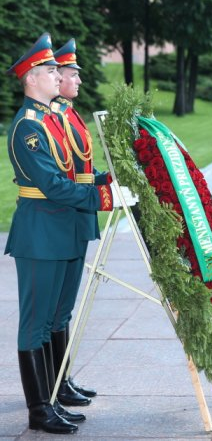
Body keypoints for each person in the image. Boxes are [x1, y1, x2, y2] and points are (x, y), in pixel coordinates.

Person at [5, 32, 113, 434]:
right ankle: (38, 409)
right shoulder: (28, 127)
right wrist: (105, 196)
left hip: (62, 229)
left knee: (56, 316)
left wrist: (106, 182)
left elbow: (75, 172)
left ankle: (52, 396)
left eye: (57, 69)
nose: (60, 76)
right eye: (51, 70)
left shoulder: (52, 118)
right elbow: (53, 185)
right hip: (41, 232)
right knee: (35, 322)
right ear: (31, 77)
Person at [50, 38, 111, 407]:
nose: (78, 80)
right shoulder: (56, 116)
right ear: (58, 76)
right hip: (67, 215)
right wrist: (100, 192)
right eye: (73, 74)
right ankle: (56, 385)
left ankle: (63, 379)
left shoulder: (69, 113)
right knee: (56, 309)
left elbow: (82, 168)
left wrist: (106, 178)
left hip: (78, 213)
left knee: (64, 308)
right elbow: (65, 176)